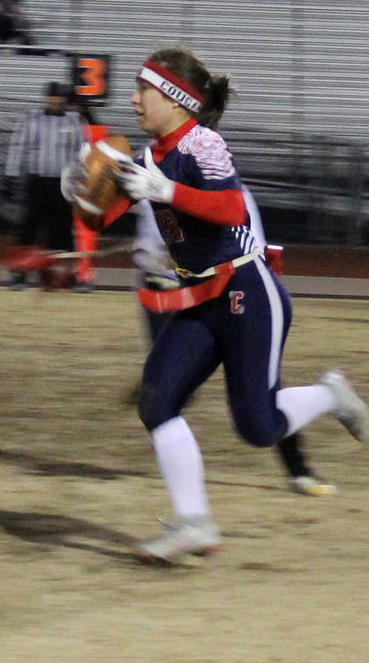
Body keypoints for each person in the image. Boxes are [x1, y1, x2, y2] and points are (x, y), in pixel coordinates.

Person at [62, 47, 369, 563]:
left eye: (146, 90)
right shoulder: (145, 155)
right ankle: (194, 523)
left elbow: (229, 208)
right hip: (200, 294)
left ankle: (330, 395)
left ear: (178, 100)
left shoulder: (203, 143)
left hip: (247, 291)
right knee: (157, 401)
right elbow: (99, 219)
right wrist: (81, 191)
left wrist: (167, 189)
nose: (135, 98)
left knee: (258, 427)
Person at [129, 198, 337, 496]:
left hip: (224, 293)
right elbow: (110, 206)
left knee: (261, 391)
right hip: (167, 295)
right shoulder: (151, 175)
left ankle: (299, 468)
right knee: (165, 394)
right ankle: (182, 487)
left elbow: (255, 255)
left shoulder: (225, 188)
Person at [4, 81, 83, 290]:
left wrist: (82, 179)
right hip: (37, 181)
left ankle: (65, 276)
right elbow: (18, 146)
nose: (56, 100)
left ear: (64, 99)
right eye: (53, 96)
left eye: (60, 97)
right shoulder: (32, 119)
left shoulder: (73, 121)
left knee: (63, 231)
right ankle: (18, 275)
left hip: (62, 183)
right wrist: (10, 175)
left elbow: (81, 152)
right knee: (28, 228)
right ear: (47, 97)